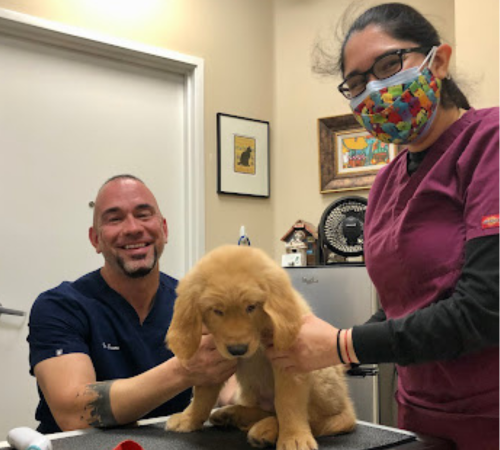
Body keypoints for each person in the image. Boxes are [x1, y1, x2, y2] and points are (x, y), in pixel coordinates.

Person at [266, 3, 499, 449]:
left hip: (490, 417)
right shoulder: (386, 182)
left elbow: (487, 308)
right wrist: (322, 344)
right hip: (417, 414)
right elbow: (400, 307)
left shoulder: (490, 143)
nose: (373, 90)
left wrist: (343, 345)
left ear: (440, 61)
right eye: (356, 83)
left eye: (389, 65)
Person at [28, 175, 236, 434]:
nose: (133, 228)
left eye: (144, 214)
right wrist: (186, 371)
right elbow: (76, 412)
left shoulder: (196, 302)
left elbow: (230, 385)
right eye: (115, 219)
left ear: (164, 230)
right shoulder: (60, 306)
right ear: (95, 239)